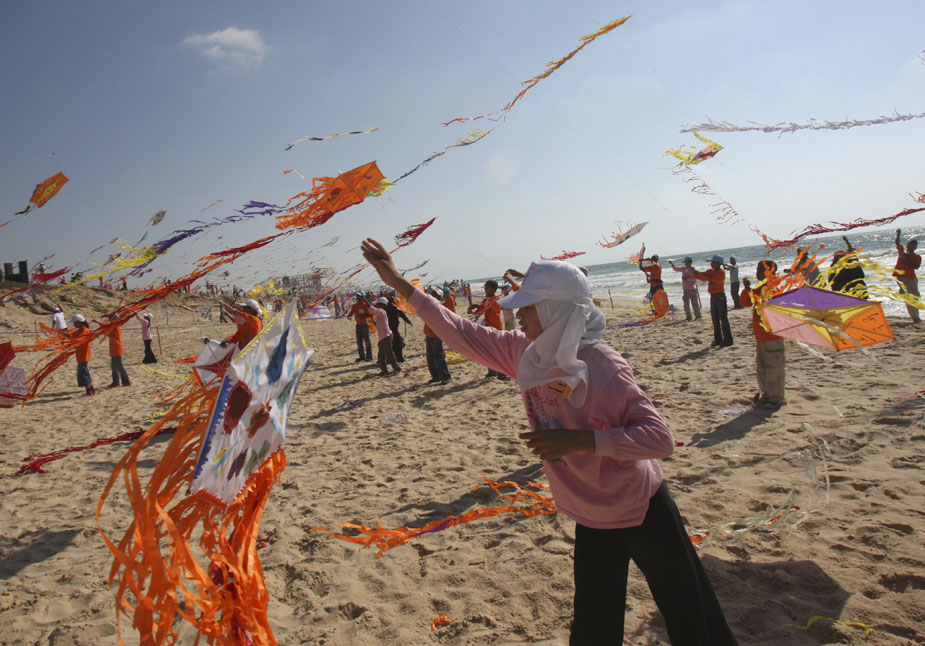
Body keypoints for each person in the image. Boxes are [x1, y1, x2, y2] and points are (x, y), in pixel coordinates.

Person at [361, 238, 738, 645]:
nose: (519, 315)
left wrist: (577, 440)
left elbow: (659, 440)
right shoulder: (526, 354)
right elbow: (460, 331)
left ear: (556, 311)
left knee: (687, 607)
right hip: (589, 510)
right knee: (594, 620)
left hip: (640, 504)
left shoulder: (601, 365)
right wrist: (398, 282)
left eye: (529, 307)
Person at [740, 261, 785, 410]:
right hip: (761, 336)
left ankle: (776, 397)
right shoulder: (759, 288)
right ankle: (766, 394)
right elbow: (745, 302)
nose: (757, 272)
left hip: (773, 336)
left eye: (760, 269)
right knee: (762, 367)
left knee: (774, 369)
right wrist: (747, 290)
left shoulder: (773, 288)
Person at [467, 280, 508, 380]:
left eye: (487, 288)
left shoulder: (496, 299)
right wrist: (472, 311)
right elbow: (480, 311)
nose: (485, 290)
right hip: (488, 327)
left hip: (496, 328)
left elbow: (488, 310)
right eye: (485, 288)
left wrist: (476, 306)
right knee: (488, 350)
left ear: (493, 289)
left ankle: (502, 373)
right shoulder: (486, 300)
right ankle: (492, 371)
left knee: (498, 351)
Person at [694, 255, 733, 347]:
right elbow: (702, 277)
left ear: (718, 263)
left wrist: (701, 274)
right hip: (713, 296)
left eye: (713, 262)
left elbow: (715, 278)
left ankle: (728, 340)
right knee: (715, 319)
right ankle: (718, 339)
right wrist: (695, 273)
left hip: (720, 296)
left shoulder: (721, 272)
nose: (711, 263)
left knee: (723, 318)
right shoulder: (710, 271)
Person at [423, 288, 453, 384]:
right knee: (430, 356)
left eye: (435, 294)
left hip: (437, 334)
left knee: (438, 356)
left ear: (439, 297)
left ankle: (445, 377)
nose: (433, 296)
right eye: (432, 294)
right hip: (429, 333)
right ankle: (435, 376)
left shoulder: (440, 307)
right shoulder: (429, 305)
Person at [893, 228, 921, 323]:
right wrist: (898, 234)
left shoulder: (917, 256)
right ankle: (915, 317)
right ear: (908, 245)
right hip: (901, 277)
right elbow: (897, 243)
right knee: (908, 296)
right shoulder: (902, 251)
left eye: (913, 245)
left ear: (915, 247)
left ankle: (917, 315)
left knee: (915, 296)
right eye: (910, 244)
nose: (911, 247)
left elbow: (916, 267)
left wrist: (906, 261)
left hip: (912, 278)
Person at [372, 297, 401, 376]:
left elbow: (371, 308)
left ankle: (397, 368)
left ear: (382, 305)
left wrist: (365, 300)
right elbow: (377, 324)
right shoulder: (380, 314)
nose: (376, 305)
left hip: (386, 336)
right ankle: (384, 371)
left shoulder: (382, 311)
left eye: (377, 304)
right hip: (382, 337)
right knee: (381, 355)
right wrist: (371, 319)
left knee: (389, 354)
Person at [70, 314, 96, 396]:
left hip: (84, 355)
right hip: (81, 355)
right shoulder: (80, 330)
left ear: (79, 322)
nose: (74, 324)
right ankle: (91, 389)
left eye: (75, 323)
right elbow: (74, 335)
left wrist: (70, 338)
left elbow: (79, 339)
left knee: (83, 373)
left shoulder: (85, 331)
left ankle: (89, 391)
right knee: (84, 372)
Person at [668, 257, 701, 321]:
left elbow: (695, 278)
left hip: (692, 289)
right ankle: (689, 317)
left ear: (690, 262)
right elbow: (676, 269)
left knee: (695, 304)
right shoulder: (684, 269)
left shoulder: (693, 270)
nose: (686, 264)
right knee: (686, 304)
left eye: (687, 262)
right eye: (685, 262)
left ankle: (698, 316)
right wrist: (672, 264)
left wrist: (687, 279)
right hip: (685, 289)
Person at [384, 293, 412, 362]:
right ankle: (398, 358)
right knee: (396, 341)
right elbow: (400, 312)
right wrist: (407, 320)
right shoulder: (393, 301)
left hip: (387, 324)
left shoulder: (385, 301)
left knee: (392, 341)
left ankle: (392, 358)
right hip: (393, 324)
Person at [103, 320, 131, 387]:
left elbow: (113, 336)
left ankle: (126, 382)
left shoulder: (116, 327)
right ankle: (116, 382)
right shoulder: (114, 326)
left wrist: (106, 332)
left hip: (117, 349)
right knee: (114, 367)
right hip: (114, 349)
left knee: (120, 366)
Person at [348, 292, 375, 361]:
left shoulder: (365, 305)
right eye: (357, 296)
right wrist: (349, 315)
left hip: (364, 324)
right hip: (358, 325)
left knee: (367, 341)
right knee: (359, 342)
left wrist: (363, 316)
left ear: (363, 297)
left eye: (359, 297)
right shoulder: (355, 305)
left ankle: (369, 356)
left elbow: (370, 314)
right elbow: (351, 312)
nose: (358, 298)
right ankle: (361, 356)